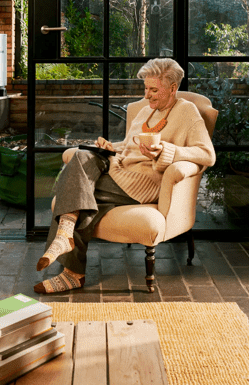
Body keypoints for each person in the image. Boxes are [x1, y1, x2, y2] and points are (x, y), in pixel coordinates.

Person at [34, 58, 216, 294]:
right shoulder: (143, 112)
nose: (147, 96)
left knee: (75, 188)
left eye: (153, 90)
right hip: (120, 172)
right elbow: (129, 147)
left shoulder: (186, 111)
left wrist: (168, 151)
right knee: (82, 157)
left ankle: (70, 266)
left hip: (143, 183)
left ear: (172, 88)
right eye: (145, 89)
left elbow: (207, 155)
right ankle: (68, 250)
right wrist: (112, 147)